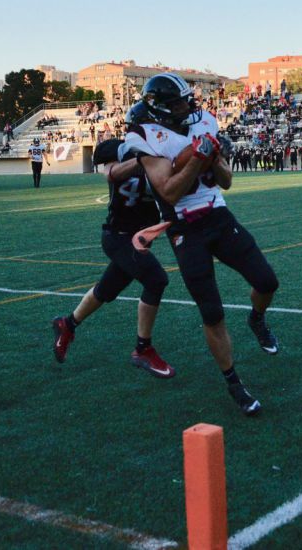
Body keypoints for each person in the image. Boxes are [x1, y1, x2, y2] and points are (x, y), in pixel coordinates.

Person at [125, 73, 280, 417]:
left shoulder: (205, 120)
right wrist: (197, 157)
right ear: (161, 108)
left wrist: (215, 158)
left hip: (218, 216)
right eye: (179, 102)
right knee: (212, 311)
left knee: (267, 282)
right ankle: (234, 383)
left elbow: (226, 181)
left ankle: (256, 319)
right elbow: (168, 191)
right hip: (184, 228)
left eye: (187, 99)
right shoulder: (145, 135)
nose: (188, 105)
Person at [51, 138, 174, 378]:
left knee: (106, 290)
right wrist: (141, 158)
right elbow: (109, 171)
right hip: (118, 236)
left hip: (138, 237)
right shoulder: (123, 148)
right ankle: (143, 349)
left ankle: (67, 324)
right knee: (156, 280)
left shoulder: (166, 152)